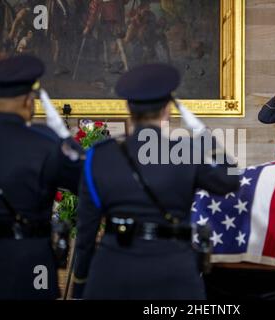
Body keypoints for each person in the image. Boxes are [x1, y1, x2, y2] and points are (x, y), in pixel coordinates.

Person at [71, 63, 240, 299]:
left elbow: (86, 230)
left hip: (112, 272)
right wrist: (204, 135)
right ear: (167, 110)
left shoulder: (99, 155)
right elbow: (230, 179)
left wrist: (80, 284)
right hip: (172, 272)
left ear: (129, 108)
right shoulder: (186, 151)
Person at [0, 55, 83, 299]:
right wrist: (66, 139)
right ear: (30, 101)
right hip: (32, 264)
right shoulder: (46, 142)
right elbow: (85, 181)